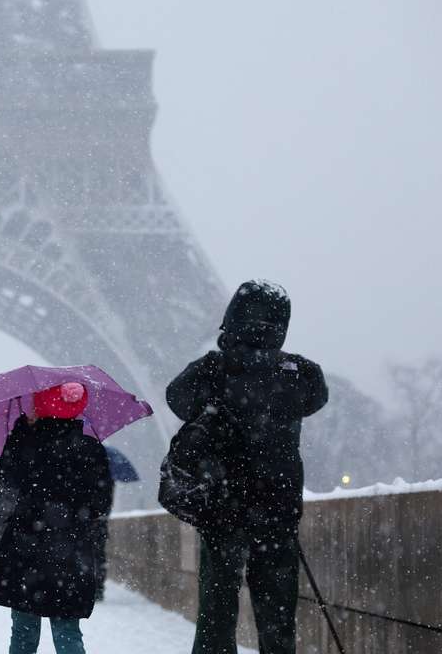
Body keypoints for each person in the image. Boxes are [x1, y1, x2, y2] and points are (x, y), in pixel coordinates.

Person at [166, 280, 328, 654]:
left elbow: (177, 399)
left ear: (232, 319)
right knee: (277, 618)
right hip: (277, 512)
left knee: (216, 617)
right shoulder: (299, 373)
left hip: (223, 509)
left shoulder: (212, 369)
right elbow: (315, 399)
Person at [0, 382, 113, 654]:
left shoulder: (28, 444)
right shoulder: (91, 448)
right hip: (71, 549)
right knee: (67, 631)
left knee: (23, 631)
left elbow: (6, 477)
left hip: (26, 544)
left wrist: (22, 431)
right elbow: (101, 502)